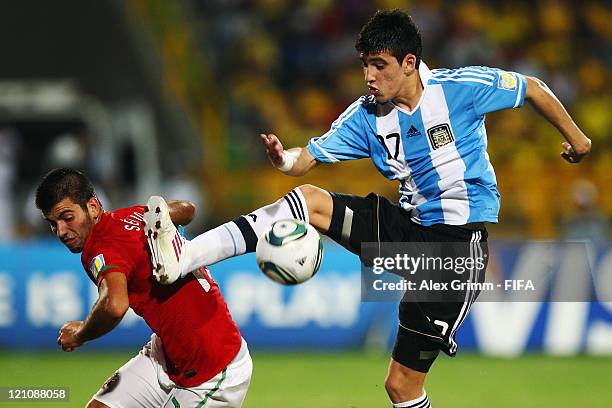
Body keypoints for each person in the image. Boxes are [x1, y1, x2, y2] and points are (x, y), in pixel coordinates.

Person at [146, 9, 591, 408]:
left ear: (409, 63)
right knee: (310, 203)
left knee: (401, 387)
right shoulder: (367, 116)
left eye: (379, 65)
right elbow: (309, 158)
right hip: (407, 229)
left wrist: (578, 138)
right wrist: (284, 159)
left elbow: (532, 88)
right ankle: (185, 256)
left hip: (455, 252)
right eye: (364, 65)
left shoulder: (461, 90)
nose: (369, 76)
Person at [35, 168, 252, 408]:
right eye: (53, 224)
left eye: (67, 217)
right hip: (167, 356)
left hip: (213, 369)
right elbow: (188, 209)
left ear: (93, 207)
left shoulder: (102, 248)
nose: (61, 231)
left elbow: (115, 305)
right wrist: (167, 223)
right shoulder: (134, 215)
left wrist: (80, 334)